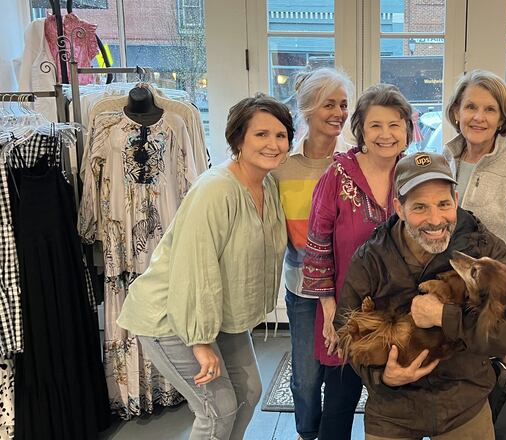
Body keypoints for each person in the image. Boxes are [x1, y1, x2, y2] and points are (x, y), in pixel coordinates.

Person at [117, 94, 291, 440]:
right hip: (171, 315)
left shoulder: (267, 185)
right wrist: (200, 341)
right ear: (238, 138)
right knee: (218, 409)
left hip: (217, 312)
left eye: (281, 135)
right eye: (261, 134)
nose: (273, 144)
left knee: (249, 391)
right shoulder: (215, 190)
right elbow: (196, 270)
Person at [334, 151, 506, 439]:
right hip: (393, 410)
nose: (435, 219)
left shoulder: (484, 249)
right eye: (419, 207)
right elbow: (345, 327)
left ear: (456, 200)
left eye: (443, 204)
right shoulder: (371, 257)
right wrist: (381, 376)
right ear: (399, 208)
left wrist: (445, 317)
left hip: (463, 403)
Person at [301, 83, 414, 440]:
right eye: (375, 125)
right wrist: (330, 312)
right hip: (346, 312)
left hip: (400, 314)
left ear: (407, 129)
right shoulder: (336, 176)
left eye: (394, 125)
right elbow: (317, 245)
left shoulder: (413, 174)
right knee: (339, 402)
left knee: (398, 405)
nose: (385, 134)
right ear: (361, 130)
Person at [270, 67, 353, 440]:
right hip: (302, 288)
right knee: (306, 377)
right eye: (328, 104)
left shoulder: (352, 164)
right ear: (307, 108)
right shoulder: (282, 167)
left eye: (343, 104)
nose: (338, 113)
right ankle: (307, 433)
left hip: (347, 289)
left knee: (340, 373)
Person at [443, 69, 506, 371]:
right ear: (456, 111)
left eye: (490, 109)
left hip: (494, 307)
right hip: (447, 299)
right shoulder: (443, 160)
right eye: (470, 107)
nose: (478, 117)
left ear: (502, 119)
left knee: (493, 391)